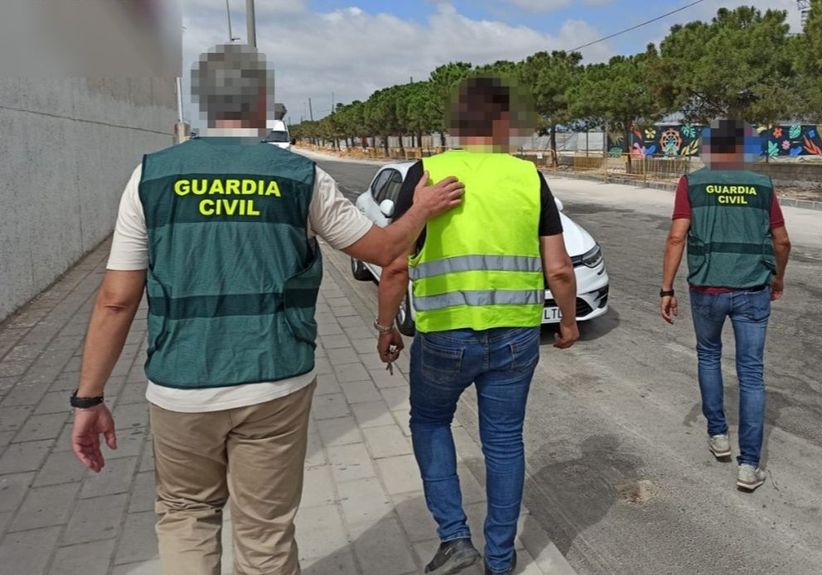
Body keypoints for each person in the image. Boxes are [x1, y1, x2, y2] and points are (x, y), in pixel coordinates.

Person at [69, 44, 463, 575]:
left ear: (204, 103)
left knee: (186, 514)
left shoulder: (150, 178)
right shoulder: (300, 178)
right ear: (264, 102)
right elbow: (384, 251)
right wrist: (420, 209)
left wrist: (88, 397)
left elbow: (116, 300)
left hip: (180, 386)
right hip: (275, 382)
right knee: (266, 531)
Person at [374, 76, 580, 575]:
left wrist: (386, 326)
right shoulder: (528, 178)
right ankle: (502, 560)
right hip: (515, 336)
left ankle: (454, 540)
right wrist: (568, 323)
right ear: (505, 123)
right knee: (505, 442)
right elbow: (558, 268)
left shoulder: (427, 172)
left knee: (429, 422)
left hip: (444, 335)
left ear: (455, 122)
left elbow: (396, 263)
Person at [659, 119, 792, 492]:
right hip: (753, 290)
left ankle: (718, 435)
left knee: (708, 356)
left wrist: (666, 289)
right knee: (751, 373)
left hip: (706, 289)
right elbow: (782, 242)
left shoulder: (692, 183)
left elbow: (676, 237)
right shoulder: (762, 185)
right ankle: (749, 466)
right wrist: (777, 278)